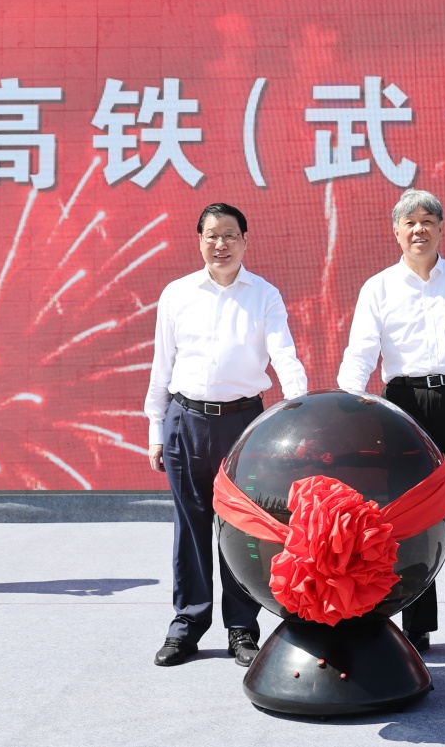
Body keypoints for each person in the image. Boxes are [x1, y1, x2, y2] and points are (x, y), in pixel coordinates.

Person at [337, 189, 445, 663]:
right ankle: (416, 627)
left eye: (428, 221)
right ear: (396, 231)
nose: (419, 230)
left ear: (441, 229)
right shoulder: (378, 288)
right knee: (409, 520)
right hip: (403, 408)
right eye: (409, 222)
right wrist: (346, 407)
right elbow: (359, 355)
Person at [144, 203, 308, 667]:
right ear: (199, 241)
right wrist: (156, 428)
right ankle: (187, 625)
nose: (221, 244)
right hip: (185, 421)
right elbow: (162, 364)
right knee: (190, 526)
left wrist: (301, 409)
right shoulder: (177, 294)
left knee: (242, 526)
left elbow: (284, 354)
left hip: (243, 425)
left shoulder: (264, 295)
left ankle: (242, 628)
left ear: (245, 240)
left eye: (230, 235)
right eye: (212, 235)